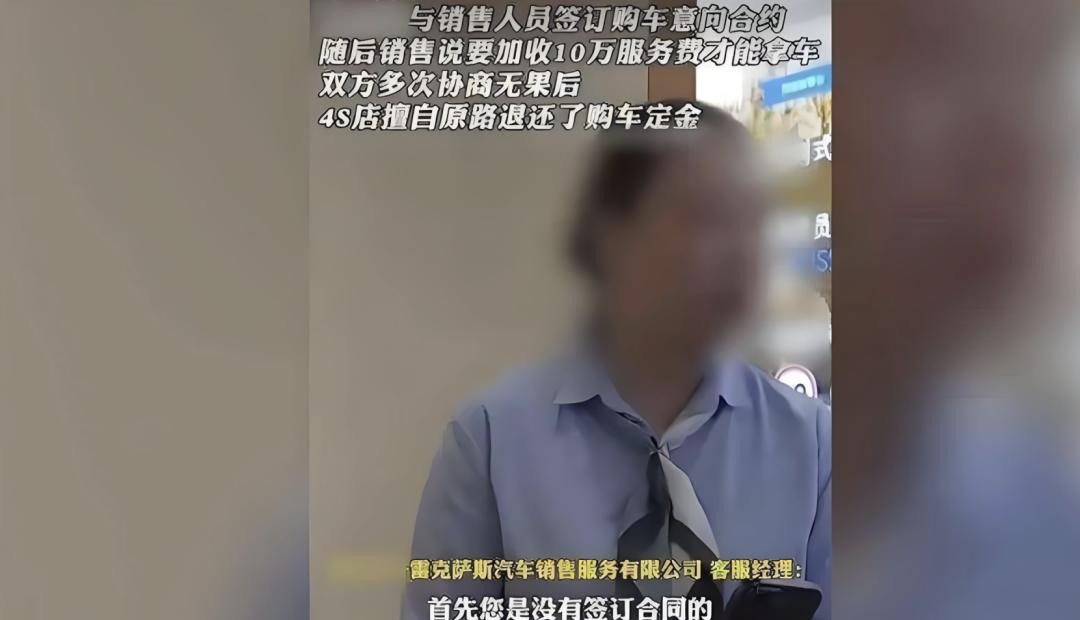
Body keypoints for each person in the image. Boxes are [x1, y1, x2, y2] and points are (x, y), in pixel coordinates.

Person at [403, 101, 831, 620]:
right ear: (612, 235)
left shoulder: (814, 446)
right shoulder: (490, 441)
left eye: (751, 220)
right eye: (704, 216)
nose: (741, 252)